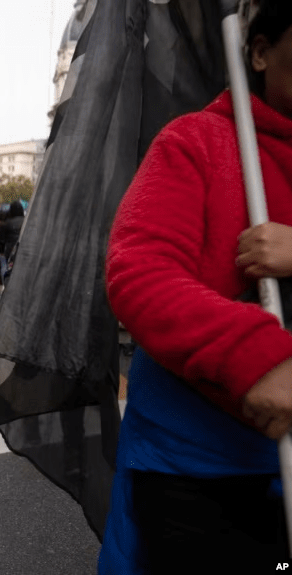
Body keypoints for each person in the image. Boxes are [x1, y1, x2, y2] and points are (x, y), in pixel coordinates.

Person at [100, 3, 292, 572]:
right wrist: (256, 359)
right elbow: (140, 271)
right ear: (260, 52)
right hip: (200, 467)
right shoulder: (196, 142)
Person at [0, 201, 25, 288]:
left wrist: (0, 248)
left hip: (10, 248)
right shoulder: (26, 221)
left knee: (7, 266)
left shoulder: (7, 222)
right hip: (23, 248)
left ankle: (5, 285)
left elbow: (1, 238)